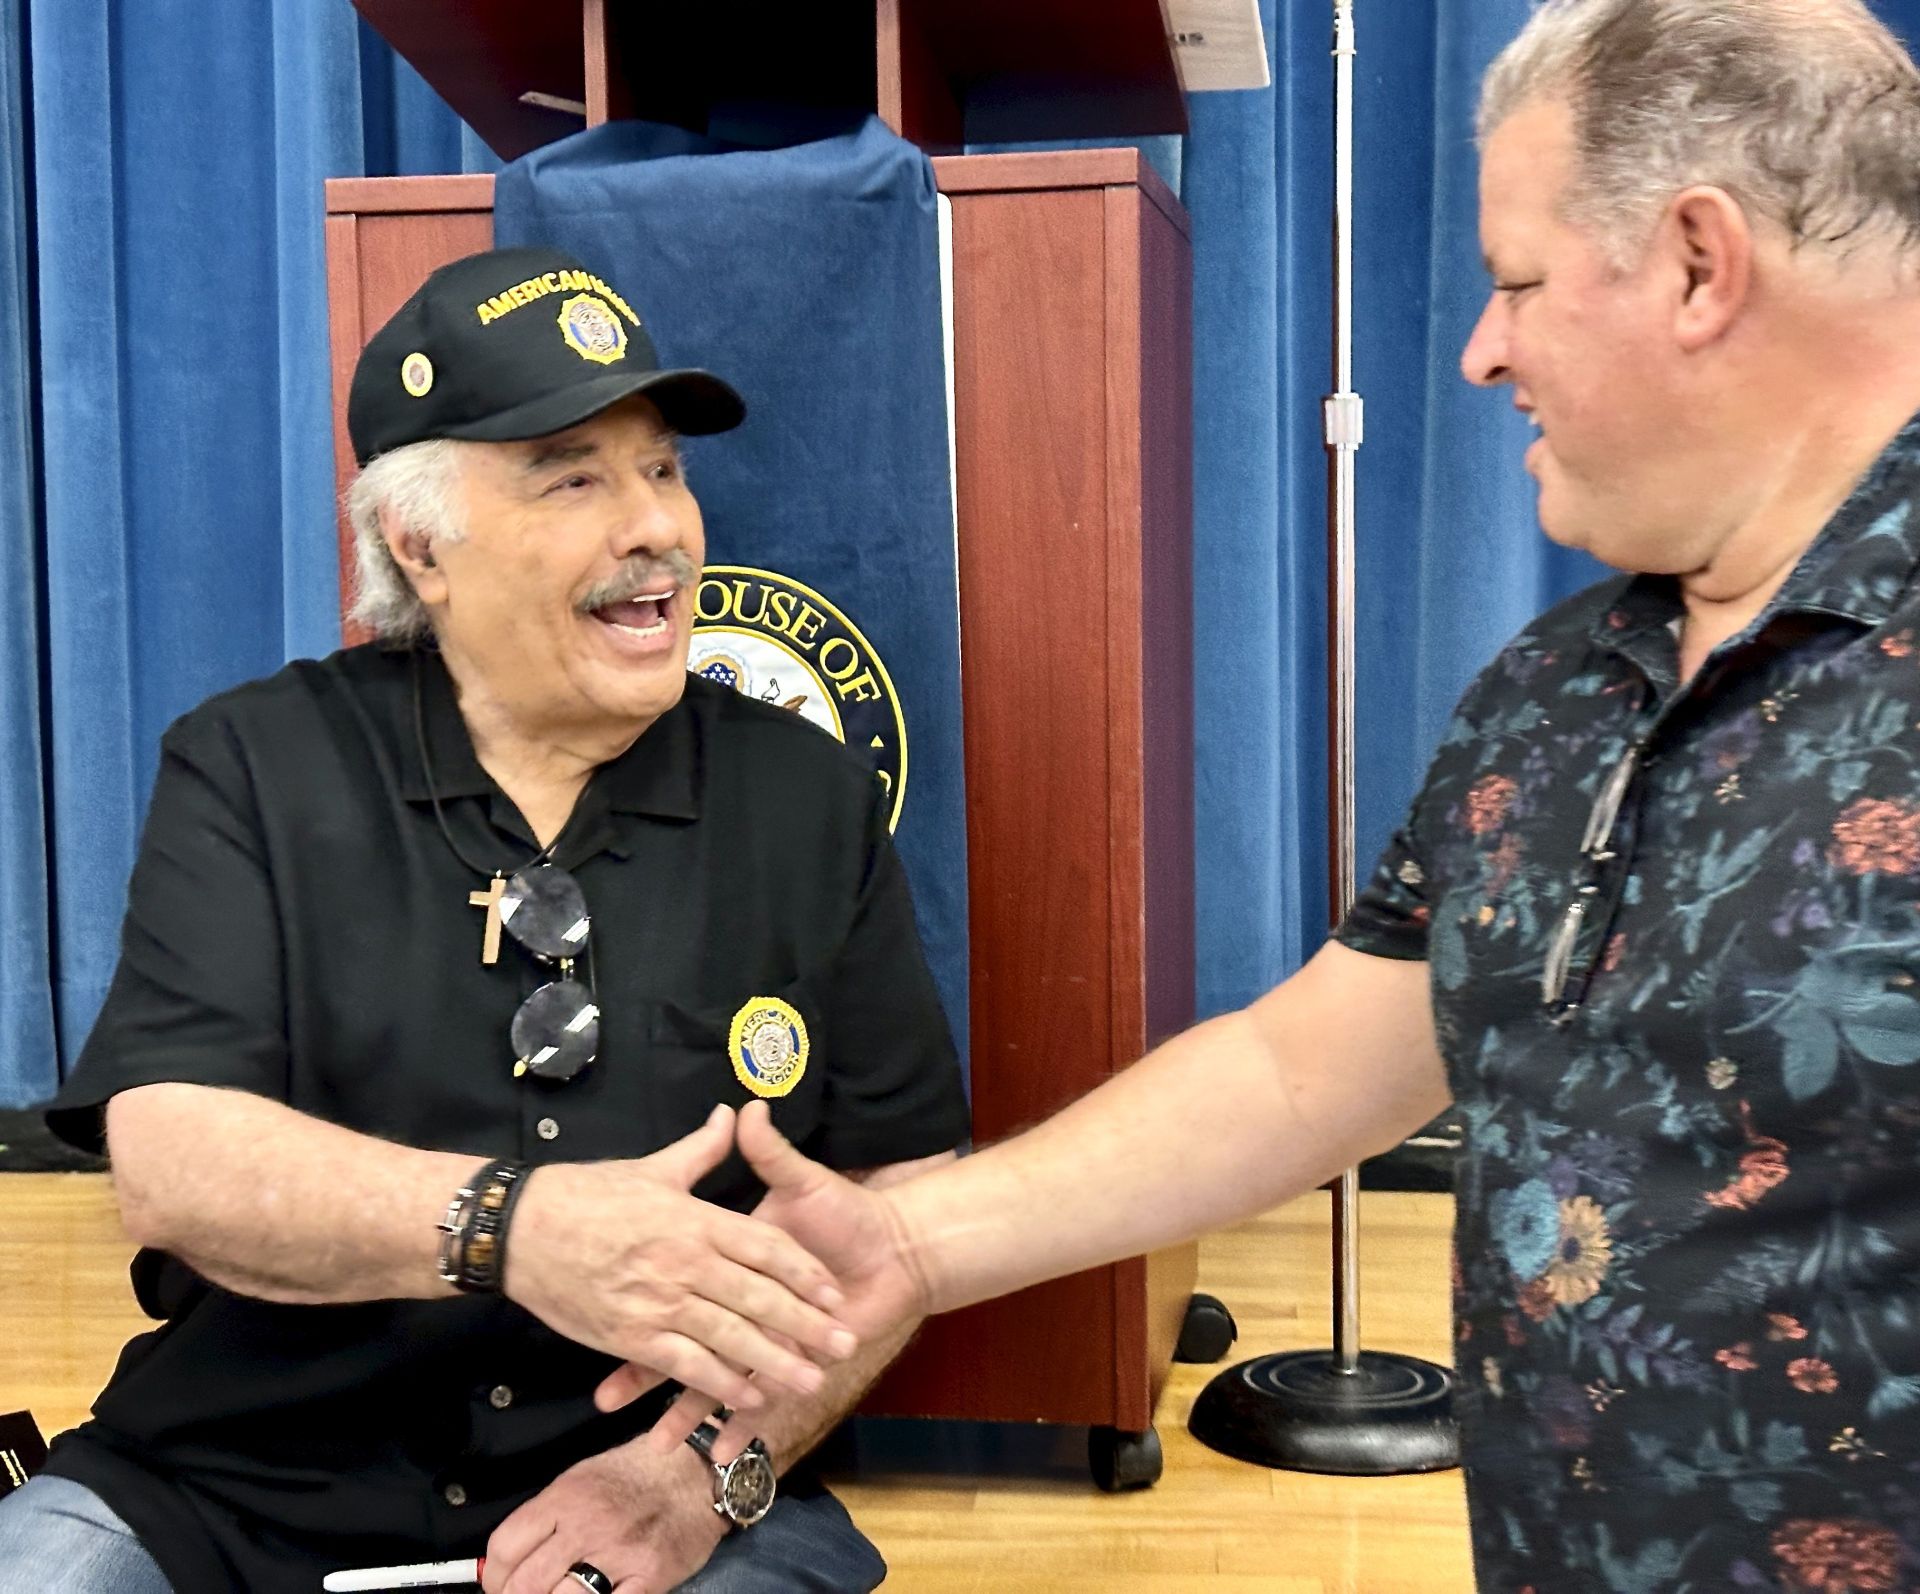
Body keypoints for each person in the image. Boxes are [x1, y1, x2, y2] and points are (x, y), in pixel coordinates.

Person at [627, 3, 1920, 1588]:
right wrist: (912, 1241)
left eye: (1516, 282)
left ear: (1701, 267)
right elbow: (1313, 1068)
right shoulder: (1560, 687)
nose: (1481, 348)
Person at [0, 246, 968, 1594]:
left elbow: (895, 1200)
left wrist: (703, 1474)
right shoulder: (252, 766)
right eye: (574, 475)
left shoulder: (805, 793)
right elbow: (171, 1158)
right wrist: (514, 1227)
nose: (660, 528)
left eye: (663, 468)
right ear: (420, 544)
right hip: (230, 1489)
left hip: (661, 1494)